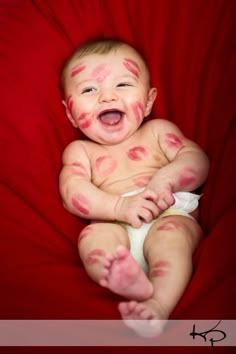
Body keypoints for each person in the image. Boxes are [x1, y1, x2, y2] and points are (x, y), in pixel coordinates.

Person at [59, 39, 209, 337]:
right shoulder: (81, 151)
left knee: (173, 240)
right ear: (70, 114)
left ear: (150, 100)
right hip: (113, 222)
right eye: (89, 90)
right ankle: (118, 277)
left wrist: (164, 179)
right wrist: (118, 208)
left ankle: (158, 304)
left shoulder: (158, 132)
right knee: (92, 236)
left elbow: (197, 160)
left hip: (166, 214)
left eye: (123, 85)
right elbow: (72, 193)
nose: (106, 96)